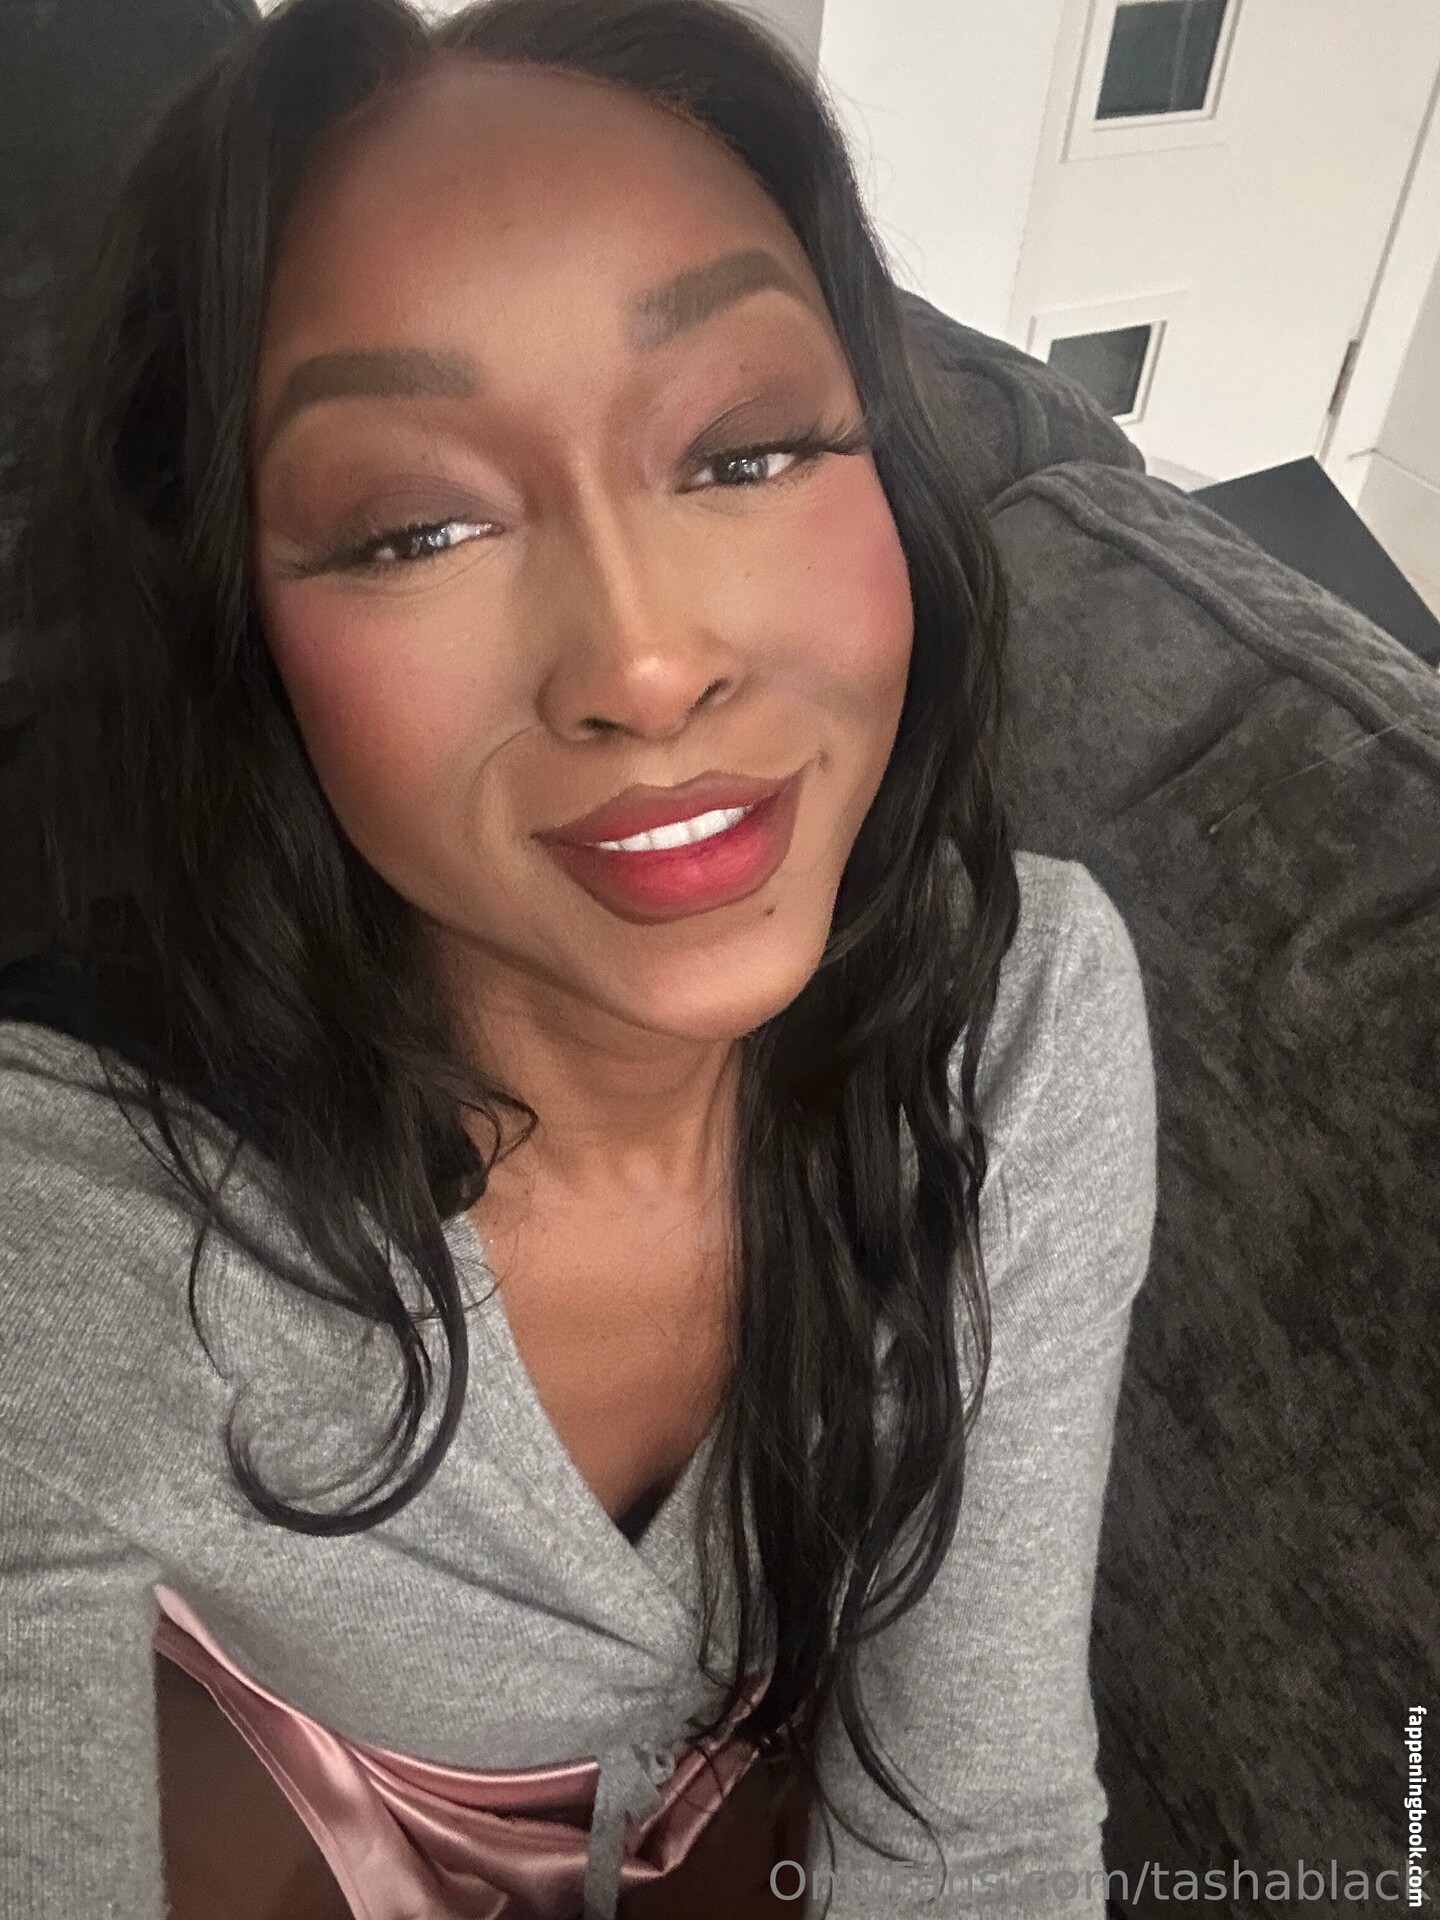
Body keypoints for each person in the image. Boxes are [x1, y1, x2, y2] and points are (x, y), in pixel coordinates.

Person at [0, 0, 1158, 1915]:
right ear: (243, 634)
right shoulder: (67, 1223)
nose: (643, 663)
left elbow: (981, 1839)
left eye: (746, 449)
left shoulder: (1018, 1033)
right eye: (417, 528)